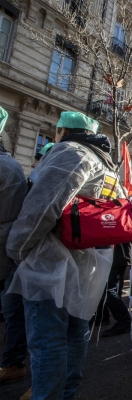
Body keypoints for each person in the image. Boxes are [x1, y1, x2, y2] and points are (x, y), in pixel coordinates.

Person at [6, 111, 119, 400]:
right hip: (85, 267)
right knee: (73, 334)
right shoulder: (106, 164)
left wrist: (17, 250)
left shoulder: (71, 152)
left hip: (52, 263)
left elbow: (42, 206)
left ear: (62, 131)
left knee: (48, 341)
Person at [0, 106, 29, 386]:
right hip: (11, 251)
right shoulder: (11, 166)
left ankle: (12, 362)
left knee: (12, 311)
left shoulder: (6, 167)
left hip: (8, 253)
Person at [93, 242, 132, 337]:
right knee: (103, 286)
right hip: (111, 252)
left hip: (116, 253)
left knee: (108, 290)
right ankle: (102, 316)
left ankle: (124, 321)